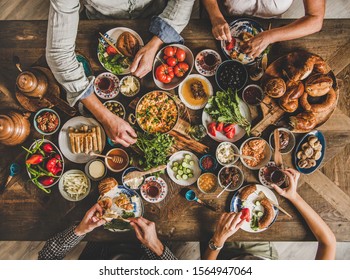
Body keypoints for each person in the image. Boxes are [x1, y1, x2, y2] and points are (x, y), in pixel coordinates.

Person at [46, 0, 195, 147]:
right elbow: (58, 54)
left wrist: (156, 42)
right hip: (98, 25)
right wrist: (105, 117)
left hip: (159, 17)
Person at [203, 168, 336, 260]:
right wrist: (294, 197)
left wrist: (217, 241)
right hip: (263, 253)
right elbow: (328, 242)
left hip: (224, 255)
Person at [38, 203, 177, 260]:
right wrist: (155, 246)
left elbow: (47, 257)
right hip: (144, 252)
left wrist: (79, 231)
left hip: (97, 245)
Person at [202, 0, 325, 59]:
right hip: (218, 17)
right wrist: (215, 16)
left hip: (271, 26)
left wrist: (270, 36)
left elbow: (315, 20)